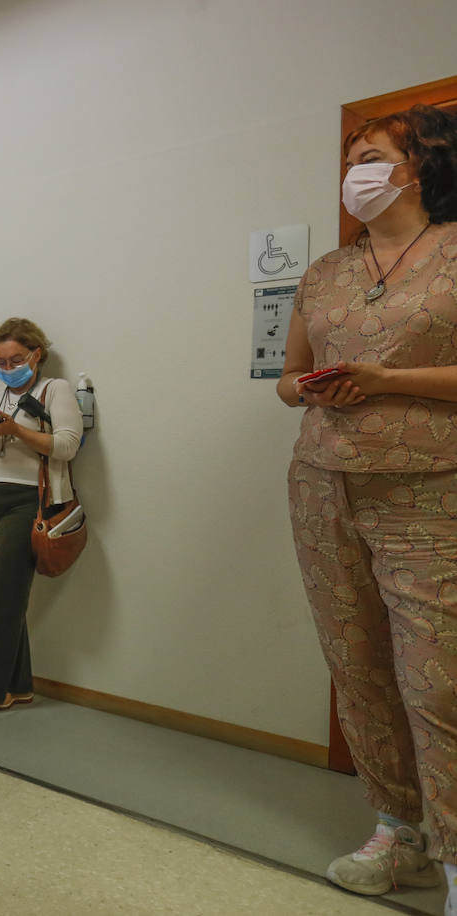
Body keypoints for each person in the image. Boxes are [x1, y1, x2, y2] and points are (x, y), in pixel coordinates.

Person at [276, 104, 457, 907]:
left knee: (437, 678)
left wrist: (388, 382)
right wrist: (306, 388)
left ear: (418, 166)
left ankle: (455, 858)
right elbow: (288, 375)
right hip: (323, 481)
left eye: (374, 154)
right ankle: (400, 832)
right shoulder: (325, 271)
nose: (358, 170)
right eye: (352, 156)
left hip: (428, 486)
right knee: (357, 667)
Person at [0, 318, 82, 716]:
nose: (9, 369)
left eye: (16, 360)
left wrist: (17, 430)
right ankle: (18, 685)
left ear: (36, 355)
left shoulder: (53, 389)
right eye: (1, 361)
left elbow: (66, 445)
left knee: (0, 595)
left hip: (28, 502)